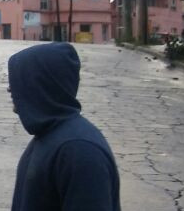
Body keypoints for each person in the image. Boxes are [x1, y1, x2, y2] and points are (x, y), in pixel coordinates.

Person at [7, 42, 121, 211]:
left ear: (41, 85)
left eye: (19, 81)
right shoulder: (48, 136)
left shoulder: (79, 150)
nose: (10, 89)